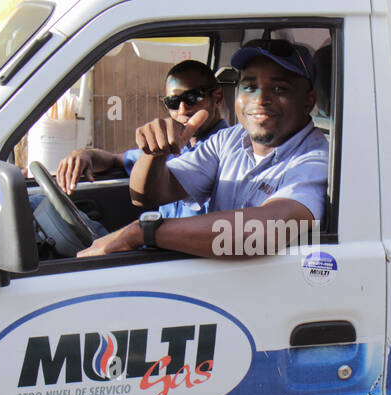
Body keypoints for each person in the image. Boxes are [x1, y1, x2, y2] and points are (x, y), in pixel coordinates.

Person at [78, 38, 328, 258]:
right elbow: (148, 195)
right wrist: (154, 153)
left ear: (308, 101)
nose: (260, 100)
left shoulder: (316, 159)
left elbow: (266, 230)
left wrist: (145, 232)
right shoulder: (229, 140)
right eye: (249, 87)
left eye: (279, 89)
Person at [54, 60, 228, 219]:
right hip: (158, 245)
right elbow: (115, 160)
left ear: (217, 98)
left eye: (193, 97)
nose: (182, 109)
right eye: (173, 101)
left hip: (186, 250)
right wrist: (85, 155)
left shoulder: (228, 151)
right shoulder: (171, 144)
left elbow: (143, 197)